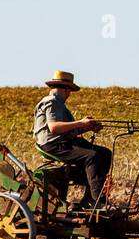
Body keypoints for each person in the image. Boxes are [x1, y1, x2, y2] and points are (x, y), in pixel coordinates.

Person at [34, 70, 111, 209]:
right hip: (53, 144)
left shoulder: (58, 104)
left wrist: (88, 127)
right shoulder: (52, 102)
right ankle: (96, 201)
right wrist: (81, 123)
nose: (69, 94)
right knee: (91, 156)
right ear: (64, 88)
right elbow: (54, 128)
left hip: (64, 141)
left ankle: (90, 198)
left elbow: (67, 129)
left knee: (105, 154)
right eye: (69, 90)